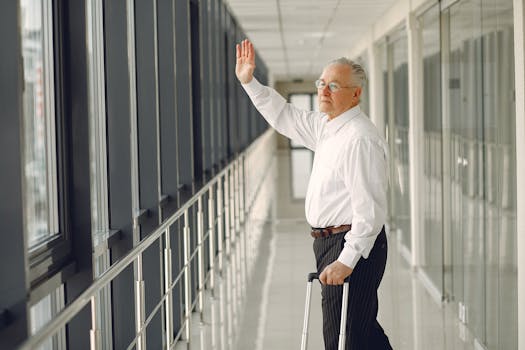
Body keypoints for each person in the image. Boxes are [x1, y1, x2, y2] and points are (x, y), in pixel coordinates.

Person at [235, 39, 393, 350]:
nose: (323, 90)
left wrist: (346, 260)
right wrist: (249, 82)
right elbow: (284, 115)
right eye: (322, 83)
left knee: (345, 339)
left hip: (352, 244)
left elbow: (370, 210)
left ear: (355, 94)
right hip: (328, 242)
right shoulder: (328, 126)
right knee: (360, 332)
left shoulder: (359, 139)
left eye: (333, 86)